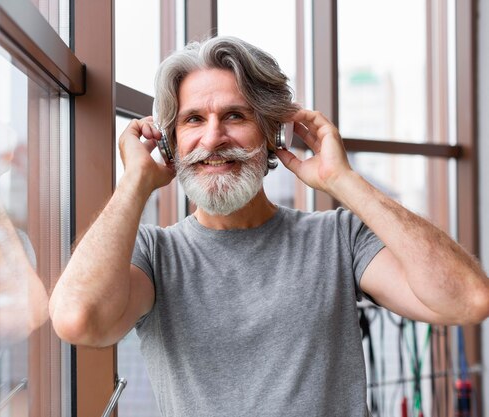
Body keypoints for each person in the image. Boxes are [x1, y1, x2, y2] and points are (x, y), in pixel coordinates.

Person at [49, 36, 489, 416]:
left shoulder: (338, 239)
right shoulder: (154, 256)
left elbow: (467, 300)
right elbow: (78, 321)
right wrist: (133, 183)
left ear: (274, 135)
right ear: (170, 143)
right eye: (193, 120)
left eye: (235, 117)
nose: (213, 138)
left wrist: (343, 181)